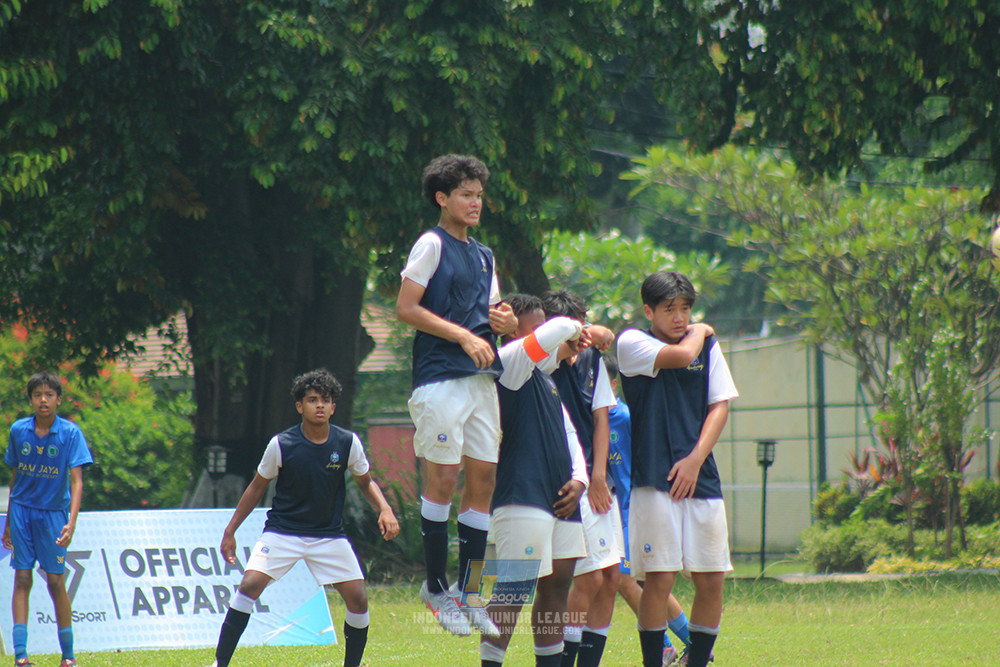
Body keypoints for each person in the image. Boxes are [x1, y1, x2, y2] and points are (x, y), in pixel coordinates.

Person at [396, 154, 516, 638]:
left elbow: (491, 316)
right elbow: (406, 307)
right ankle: (435, 586)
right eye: (465, 194)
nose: (474, 203)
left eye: (479, 195)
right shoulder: (431, 244)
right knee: (443, 478)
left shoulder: (485, 255)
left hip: (481, 380)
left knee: (483, 480)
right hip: (440, 378)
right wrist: (462, 336)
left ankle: (470, 591)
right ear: (442, 199)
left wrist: (501, 323)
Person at [209, 369, 399, 667]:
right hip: (283, 532)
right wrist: (230, 530)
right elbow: (257, 487)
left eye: (325, 400)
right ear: (300, 406)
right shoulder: (281, 444)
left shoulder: (347, 442)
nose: (319, 405)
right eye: (312, 400)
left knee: (359, 599)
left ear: (334, 407)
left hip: (329, 535)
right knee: (249, 586)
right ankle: (220, 663)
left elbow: (365, 481)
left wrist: (384, 508)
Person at [616, 271, 738, 667]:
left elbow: (719, 406)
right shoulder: (632, 342)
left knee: (711, 578)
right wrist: (702, 331)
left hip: (700, 478)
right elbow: (683, 356)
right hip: (653, 479)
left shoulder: (708, 347)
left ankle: (696, 662)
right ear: (648, 310)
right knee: (660, 577)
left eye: (687, 309)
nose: (680, 317)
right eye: (670, 309)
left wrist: (694, 460)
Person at [479, 294, 589, 667]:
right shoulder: (508, 364)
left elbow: (571, 437)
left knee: (557, 585)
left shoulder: (547, 381)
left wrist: (580, 481)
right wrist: (581, 328)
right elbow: (558, 330)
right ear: (514, 332)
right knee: (512, 589)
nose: (548, 333)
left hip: (561, 500)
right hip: (522, 497)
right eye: (537, 325)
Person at [537, 290, 620, 667]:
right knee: (586, 580)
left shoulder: (591, 360)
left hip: (598, 482)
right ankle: (562, 659)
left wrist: (600, 475)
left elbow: (601, 418)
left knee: (610, 578)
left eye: (582, 325)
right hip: (566, 483)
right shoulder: (538, 364)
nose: (581, 336)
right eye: (573, 329)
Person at [604, 356, 694, 666]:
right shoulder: (593, 419)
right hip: (610, 512)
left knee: (625, 580)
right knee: (638, 581)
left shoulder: (625, 418)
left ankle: (670, 646)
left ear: (614, 384)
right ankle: (691, 643)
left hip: (632, 509)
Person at [3, 371, 93, 667]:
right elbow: (14, 475)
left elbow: (76, 480)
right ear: (30, 399)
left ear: (58, 400)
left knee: (56, 581)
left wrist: (72, 521)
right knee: (23, 577)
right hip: (22, 511)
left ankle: (68, 656)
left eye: (49, 395)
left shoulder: (69, 433)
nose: (44, 400)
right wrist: (7, 524)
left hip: (54, 513)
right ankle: (21, 655)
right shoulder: (19, 430)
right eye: (38, 395)